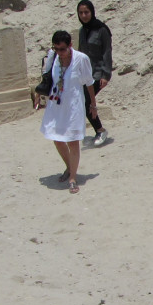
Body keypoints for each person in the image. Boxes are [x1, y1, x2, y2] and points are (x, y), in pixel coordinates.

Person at [33, 31, 95, 195]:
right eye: (57, 49)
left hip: (73, 106)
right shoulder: (53, 57)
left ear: (70, 46)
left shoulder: (81, 59)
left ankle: (73, 178)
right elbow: (46, 77)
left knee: (73, 141)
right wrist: (38, 94)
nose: (59, 52)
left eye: (62, 49)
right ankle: (69, 167)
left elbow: (89, 83)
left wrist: (93, 105)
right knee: (57, 139)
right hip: (56, 104)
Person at [76, 0, 113, 146]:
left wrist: (106, 75)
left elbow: (107, 52)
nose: (84, 15)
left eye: (86, 12)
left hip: (98, 73)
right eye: (81, 13)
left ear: (92, 12)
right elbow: (80, 53)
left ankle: (100, 130)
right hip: (85, 74)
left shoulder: (102, 30)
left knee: (86, 102)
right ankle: (97, 130)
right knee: (82, 101)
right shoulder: (82, 31)